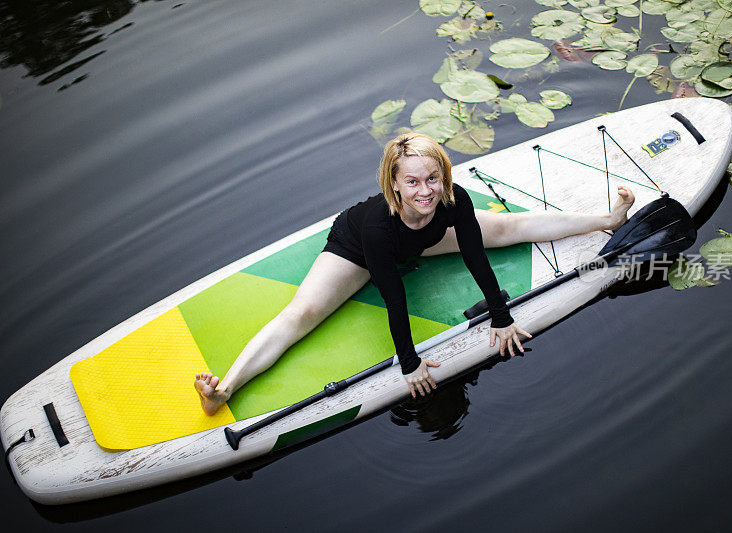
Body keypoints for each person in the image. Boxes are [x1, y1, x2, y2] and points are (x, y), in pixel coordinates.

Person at [195, 132, 634, 414]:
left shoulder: (450, 200)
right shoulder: (375, 227)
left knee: (504, 226)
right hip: (361, 253)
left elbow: (476, 256)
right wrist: (410, 363)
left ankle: (606, 220)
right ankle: (225, 391)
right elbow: (394, 296)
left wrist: (502, 317)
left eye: (433, 178)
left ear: (443, 176)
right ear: (394, 184)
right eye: (412, 182)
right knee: (303, 312)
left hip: (420, 239)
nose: (425, 191)